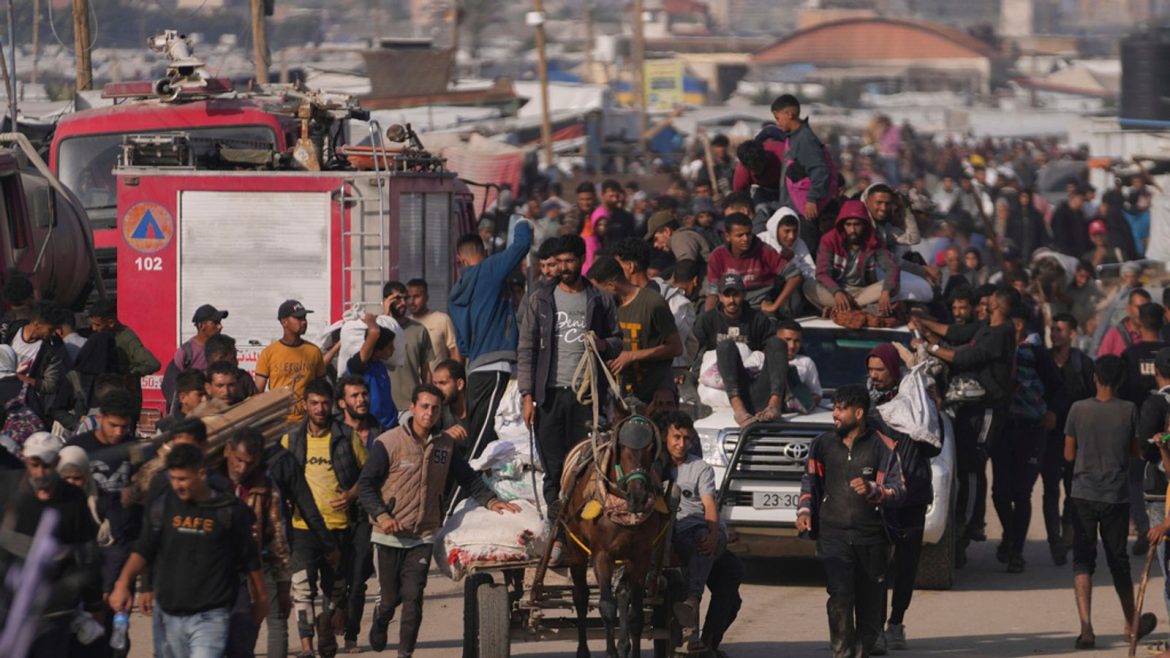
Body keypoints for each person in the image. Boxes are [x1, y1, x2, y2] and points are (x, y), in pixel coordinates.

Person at [357, 384, 520, 653]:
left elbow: (468, 478)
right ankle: (381, 618)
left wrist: (491, 501)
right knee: (389, 599)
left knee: (413, 598)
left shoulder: (445, 446)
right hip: (388, 536)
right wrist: (383, 516)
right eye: (424, 407)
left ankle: (405, 653)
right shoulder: (388, 443)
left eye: (435, 408)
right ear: (412, 408)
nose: (429, 413)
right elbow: (365, 486)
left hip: (422, 536)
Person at [108, 444, 267, 658]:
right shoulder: (163, 507)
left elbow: (249, 558)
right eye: (173, 478)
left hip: (211, 615)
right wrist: (123, 583)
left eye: (183, 479)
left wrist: (261, 597)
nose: (177, 485)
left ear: (201, 474)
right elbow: (144, 548)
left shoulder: (228, 510)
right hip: (170, 614)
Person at [517, 234, 623, 527]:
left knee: (585, 463)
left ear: (582, 260)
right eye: (559, 261)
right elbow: (526, 349)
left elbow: (618, 341)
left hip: (586, 398)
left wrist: (602, 344)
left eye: (569, 261)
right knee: (553, 467)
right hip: (549, 396)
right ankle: (558, 531)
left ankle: (582, 527)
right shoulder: (540, 299)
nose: (564, 267)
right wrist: (527, 396)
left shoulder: (599, 299)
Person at [911, 287, 1017, 566]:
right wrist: (925, 326)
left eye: (989, 300)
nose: (984, 304)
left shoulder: (1000, 333)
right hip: (967, 409)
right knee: (965, 465)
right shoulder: (986, 328)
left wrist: (931, 348)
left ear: (999, 305)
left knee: (973, 464)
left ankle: (967, 526)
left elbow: (966, 357)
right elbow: (958, 337)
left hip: (988, 409)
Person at [797, 385, 905, 658]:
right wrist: (804, 511)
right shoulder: (822, 445)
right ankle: (842, 652)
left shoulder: (884, 446)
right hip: (833, 535)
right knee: (840, 596)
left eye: (841, 409)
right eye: (834, 408)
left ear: (859, 413)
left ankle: (861, 650)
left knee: (870, 609)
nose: (835, 414)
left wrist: (873, 490)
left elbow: (899, 490)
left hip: (873, 538)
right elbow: (810, 482)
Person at [1064, 355, 1156, 650]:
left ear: (1095, 377)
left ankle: (1086, 629)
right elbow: (1136, 451)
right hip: (1115, 495)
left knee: (1082, 560)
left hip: (1083, 494)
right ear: (1120, 381)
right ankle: (1132, 623)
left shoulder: (1078, 409)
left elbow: (1068, 454)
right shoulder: (1129, 410)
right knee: (1118, 561)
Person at [280, 378, 363, 658]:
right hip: (302, 528)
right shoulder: (291, 439)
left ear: (333, 404)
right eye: (314, 403)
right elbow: (279, 477)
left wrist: (351, 494)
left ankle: (325, 629)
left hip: (338, 526)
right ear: (305, 405)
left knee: (334, 591)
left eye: (325, 403)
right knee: (302, 589)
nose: (319, 408)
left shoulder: (347, 437)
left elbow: (369, 475)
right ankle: (306, 647)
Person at [0, 432, 102, 658]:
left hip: (53, 611)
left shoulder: (73, 500)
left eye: (46, 466)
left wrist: (94, 604)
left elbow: (87, 556)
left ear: (56, 462)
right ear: (25, 459)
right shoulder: (8, 489)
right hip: (10, 607)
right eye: (34, 465)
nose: (40, 473)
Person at [864, 345, 939, 652]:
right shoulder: (866, 404)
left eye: (880, 369)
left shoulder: (916, 402)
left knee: (906, 564)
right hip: (879, 496)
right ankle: (876, 628)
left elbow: (932, 445)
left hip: (912, 496)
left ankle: (896, 624)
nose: (874, 375)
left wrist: (928, 410)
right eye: (871, 369)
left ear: (894, 371)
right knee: (877, 565)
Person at [448, 220, 533, 461]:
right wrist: (521, 222)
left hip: (475, 369)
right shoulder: (490, 269)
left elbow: (462, 346)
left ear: (459, 260)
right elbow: (522, 244)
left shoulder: (455, 294)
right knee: (483, 441)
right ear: (484, 253)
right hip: (496, 368)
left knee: (482, 433)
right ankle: (464, 484)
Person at [992, 304, 1062, 573]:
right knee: (1000, 493)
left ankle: (1016, 551)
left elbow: (1057, 386)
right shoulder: (998, 347)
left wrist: (1052, 412)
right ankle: (1010, 535)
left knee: (1022, 493)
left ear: (1018, 325)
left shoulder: (1036, 352)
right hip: (1003, 430)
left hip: (1031, 430)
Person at [221, 428, 291, 658]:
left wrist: (283, 586)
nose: (242, 468)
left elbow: (277, 538)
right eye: (238, 460)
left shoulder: (265, 487)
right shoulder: (210, 483)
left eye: (249, 463)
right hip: (211, 575)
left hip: (247, 576)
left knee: (241, 644)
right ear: (227, 451)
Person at [658, 411, 725, 646]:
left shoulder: (700, 468)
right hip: (675, 533)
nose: (681, 444)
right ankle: (690, 635)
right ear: (665, 437)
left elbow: (709, 504)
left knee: (701, 542)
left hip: (702, 525)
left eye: (686, 438)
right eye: (676, 437)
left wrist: (713, 534)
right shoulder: (657, 467)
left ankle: (693, 600)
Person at [332, 375, 385, 653]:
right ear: (342, 402)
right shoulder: (331, 432)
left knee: (358, 575)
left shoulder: (381, 432)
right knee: (334, 576)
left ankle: (351, 635)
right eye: (354, 396)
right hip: (334, 514)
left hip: (367, 514)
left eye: (364, 394)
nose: (361, 400)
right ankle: (337, 612)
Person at [693, 273, 788, 426]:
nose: (731, 300)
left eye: (736, 295)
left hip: (756, 382)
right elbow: (695, 353)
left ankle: (774, 404)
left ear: (744, 295)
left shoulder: (758, 319)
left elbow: (775, 354)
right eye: (727, 295)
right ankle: (739, 409)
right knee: (725, 346)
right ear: (720, 297)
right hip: (726, 388)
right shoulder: (707, 320)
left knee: (777, 342)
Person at [587, 255, 682, 404]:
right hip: (621, 397)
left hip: (654, 396)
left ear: (611, 285)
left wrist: (632, 356)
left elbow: (675, 348)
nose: (595, 295)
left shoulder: (652, 303)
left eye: (598, 290)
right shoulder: (607, 308)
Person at [1044, 313, 1096, 566]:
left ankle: (1067, 532)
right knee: (1050, 490)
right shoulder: (1043, 360)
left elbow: (1094, 398)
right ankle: (1055, 540)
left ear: (1072, 334)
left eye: (1060, 330)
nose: (1055, 334)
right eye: (1053, 329)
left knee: (1073, 489)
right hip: (1048, 438)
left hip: (1076, 438)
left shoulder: (1082, 364)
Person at [809, 200, 900, 316]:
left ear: (864, 224)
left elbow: (891, 267)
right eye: (848, 225)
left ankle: (841, 309)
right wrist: (837, 292)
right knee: (809, 285)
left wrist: (886, 292)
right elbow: (822, 273)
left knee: (893, 286)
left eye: (857, 225)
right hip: (836, 289)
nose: (852, 230)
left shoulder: (874, 240)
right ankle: (859, 309)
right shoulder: (829, 240)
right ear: (842, 225)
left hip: (863, 291)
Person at [254, 300, 326, 422]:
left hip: (307, 422)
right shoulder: (269, 353)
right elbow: (258, 393)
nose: (304, 322)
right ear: (284, 322)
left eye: (304, 318)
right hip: (278, 422)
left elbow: (321, 389)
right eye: (298, 318)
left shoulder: (314, 351)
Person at [703, 212, 792, 312]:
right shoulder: (717, 255)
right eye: (739, 235)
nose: (745, 239)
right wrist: (708, 316)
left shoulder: (764, 251)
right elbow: (713, 293)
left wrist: (775, 306)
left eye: (748, 234)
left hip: (759, 307)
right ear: (728, 236)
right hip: (730, 309)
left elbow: (794, 276)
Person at [1139, 347, 1170, 628]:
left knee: (1168, 568)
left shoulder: (1155, 404)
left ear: (1156, 372)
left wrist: (1157, 449)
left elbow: (1143, 450)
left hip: (1161, 493)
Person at [88, 299, 161, 405]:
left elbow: (153, 364)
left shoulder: (127, 339)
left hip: (125, 399)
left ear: (111, 323)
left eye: (97, 325)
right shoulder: (104, 337)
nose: (94, 329)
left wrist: (130, 375)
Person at [772, 94, 833, 220]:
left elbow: (819, 169)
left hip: (803, 209)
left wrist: (812, 198)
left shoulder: (804, 138)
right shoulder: (794, 137)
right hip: (793, 206)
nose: (777, 123)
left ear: (789, 114)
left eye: (778, 118)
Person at [381, 282, 434, 416]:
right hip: (382, 405)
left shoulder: (419, 330)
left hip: (410, 406)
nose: (403, 303)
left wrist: (427, 397)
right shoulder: (377, 329)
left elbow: (426, 371)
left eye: (405, 298)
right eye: (397, 299)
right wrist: (385, 318)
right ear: (386, 301)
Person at [344, 314, 399, 429]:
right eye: (390, 347)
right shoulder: (357, 366)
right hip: (372, 427)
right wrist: (370, 321)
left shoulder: (380, 366)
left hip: (390, 425)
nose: (393, 349)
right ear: (377, 351)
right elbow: (374, 333)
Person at [405, 279, 460, 366]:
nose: (411, 301)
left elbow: (454, 350)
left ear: (426, 297)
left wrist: (456, 372)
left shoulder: (442, 320)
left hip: (438, 374)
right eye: (408, 297)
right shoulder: (404, 324)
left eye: (416, 296)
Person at [777, 319, 822, 412]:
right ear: (775, 339)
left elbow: (816, 394)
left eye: (797, 341)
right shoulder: (758, 358)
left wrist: (804, 403)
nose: (792, 346)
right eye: (787, 340)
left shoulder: (806, 362)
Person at [645, 209, 712, 266]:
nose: (655, 245)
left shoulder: (680, 237)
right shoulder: (683, 237)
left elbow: (686, 265)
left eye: (656, 239)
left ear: (666, 231)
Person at [173, 304, 228, 373]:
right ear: (201, 326)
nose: (220, 327)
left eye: (219, 323)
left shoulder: (223, 349)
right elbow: (175, 378)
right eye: (215, 323)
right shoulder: (185, 352)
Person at [1098, 288, 1150, 358]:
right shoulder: (1114, 334)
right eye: (1138, 307)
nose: (1142, 312)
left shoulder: (1154, 334)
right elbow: (1102, 361)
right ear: (1128, 308)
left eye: (1146, 308)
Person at [205, 334, 259, 399]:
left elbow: (256, 402)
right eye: (233, 358)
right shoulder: (198, 381)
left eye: (231, 385)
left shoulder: (243, 379)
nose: (226, 392)